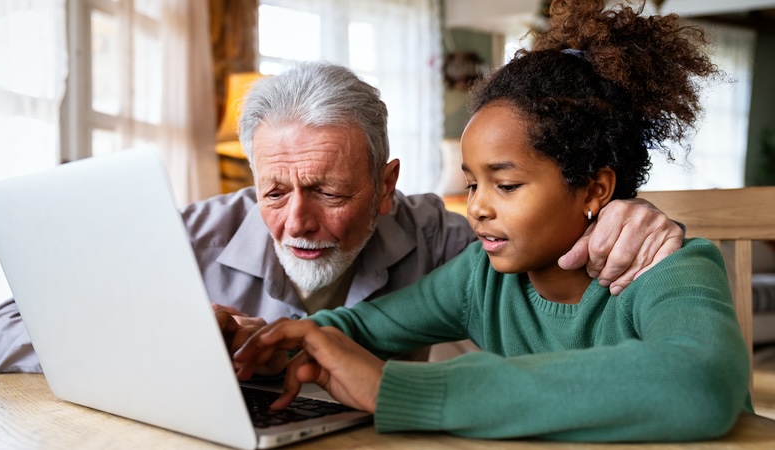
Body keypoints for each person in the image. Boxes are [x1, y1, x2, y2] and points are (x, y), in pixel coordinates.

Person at [232, 1, 751, 442]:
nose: (477, 206)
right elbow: (358, 327)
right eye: (473, 182)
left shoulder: (669, 267)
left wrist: (407, 391)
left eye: (505, 185)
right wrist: (278, 345)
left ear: (595, 189)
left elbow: (702, 382)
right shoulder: (480, 277)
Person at [0, 58, 684, 375]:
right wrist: (155, 345)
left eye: (330, 193)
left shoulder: (446, 240)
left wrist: (619, 217)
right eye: (274, 192)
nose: (296, 222)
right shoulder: (192, 232)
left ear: (385, 186)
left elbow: (553, 268)